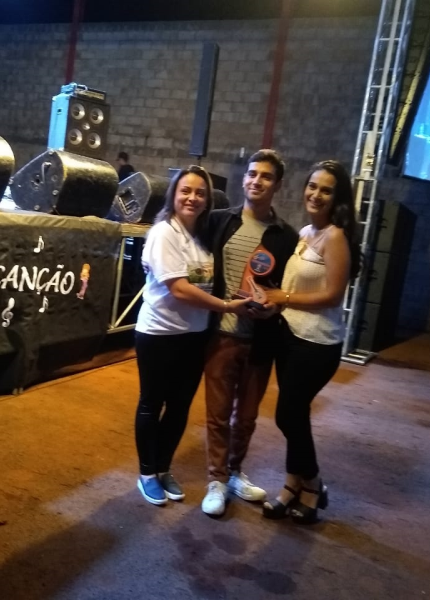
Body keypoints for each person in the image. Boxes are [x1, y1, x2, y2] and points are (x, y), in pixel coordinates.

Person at [134, 165, 250, 506]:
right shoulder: (163, 233)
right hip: (159, 333)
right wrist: (227, 307)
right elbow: (180, 289)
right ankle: (146, 474)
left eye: (200, 193)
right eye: (186, 191)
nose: (193, 198)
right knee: (152, 403)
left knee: (180, 406)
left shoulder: (203, 236)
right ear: (174, 194)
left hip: (194, 335)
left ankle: (163, 467)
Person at [259, 159, 361, 524]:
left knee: (288, 415)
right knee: (296, 415)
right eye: (312, 186)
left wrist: (282, 298)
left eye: (326, 190)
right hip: (289, 335)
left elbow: (333, 295)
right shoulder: (305, 233)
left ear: (338, 198)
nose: (316, 194)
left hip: (317, 344)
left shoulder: (335, 237)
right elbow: (292, 286)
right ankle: (292, 486)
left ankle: (314, 484)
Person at [200, 149, 298, 517]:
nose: (257, 181)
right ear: (244, 178)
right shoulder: (219, 221)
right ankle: (216, 479)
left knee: (247, 417)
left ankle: (234, 472)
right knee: (217, 414)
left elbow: (288, 289)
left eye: (266, 176)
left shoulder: (285, 236)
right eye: (252, 173)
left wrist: (275, 307)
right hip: (220, 335)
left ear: (277, 185)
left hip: (261, 339)